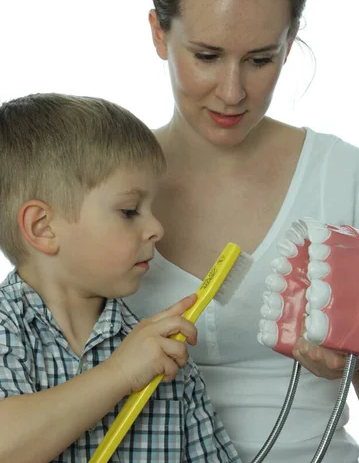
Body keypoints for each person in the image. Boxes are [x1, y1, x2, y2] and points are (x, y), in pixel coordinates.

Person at [126, 0, 359, 463]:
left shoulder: (343, 177)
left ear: (290, 41)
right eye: (205, 55)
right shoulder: (96, 184)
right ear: (158, 33)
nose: (233, 92)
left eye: (261, 59)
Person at [0, 93, 241, 463]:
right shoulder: (6, 327)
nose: (157, 228)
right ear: (43, 227)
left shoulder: (163, 353)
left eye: (152, 209)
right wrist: (119, 374)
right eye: (130, 211)